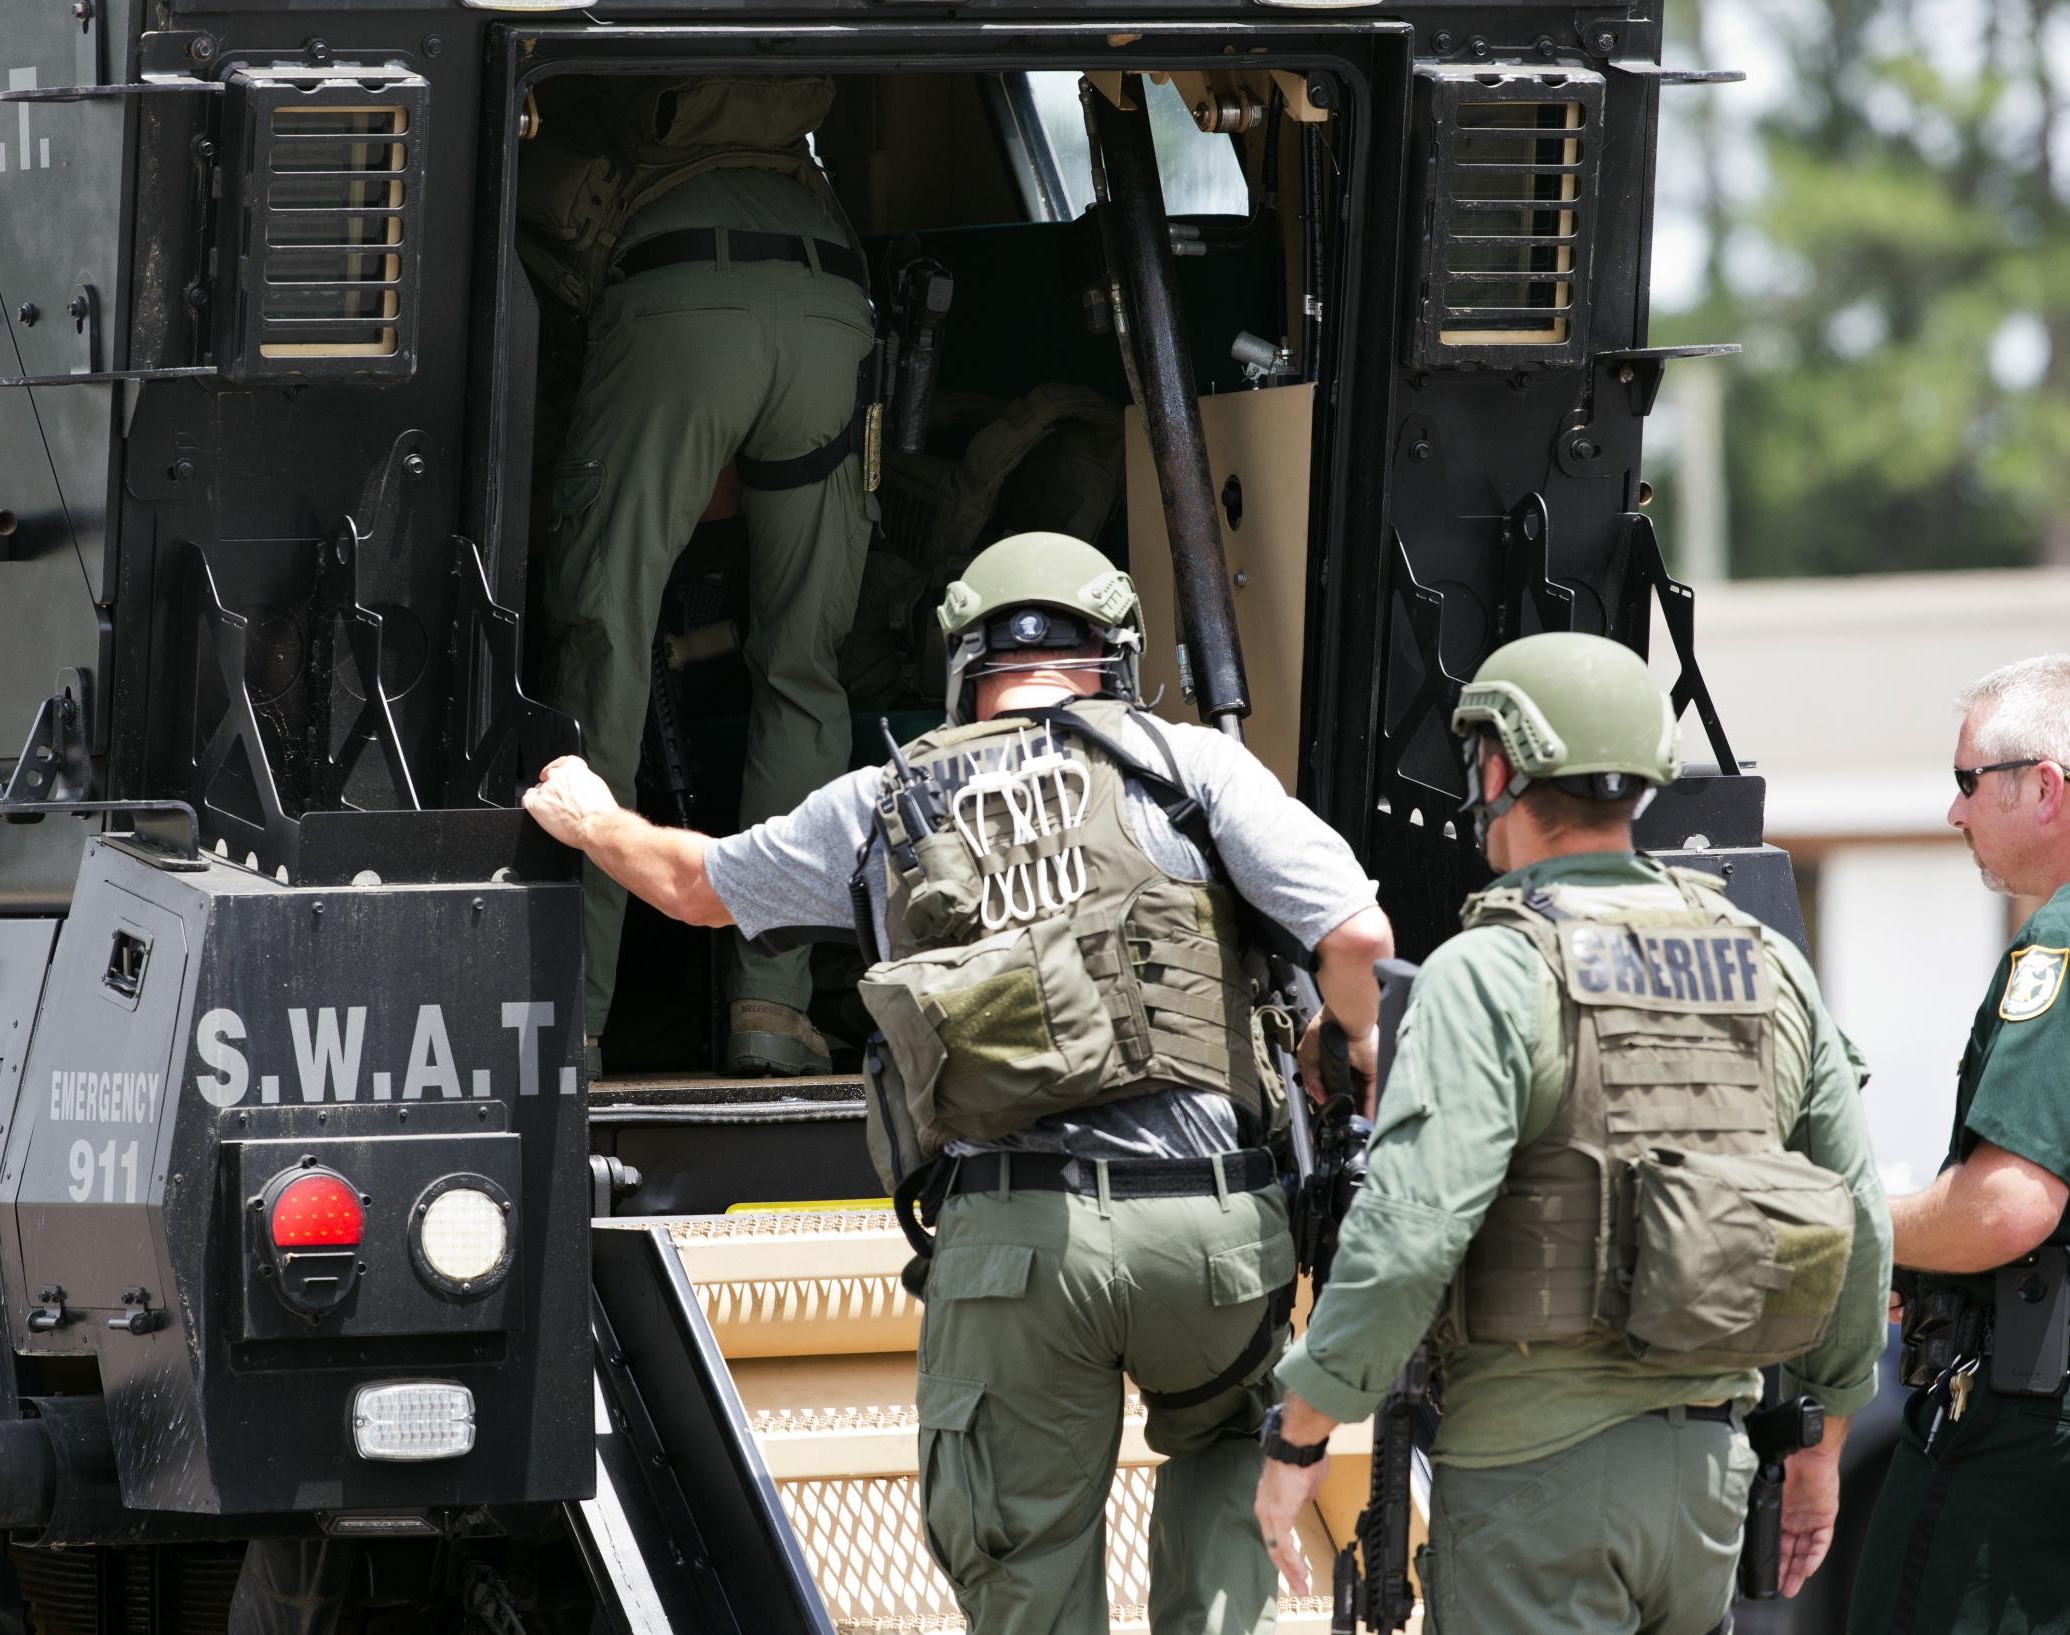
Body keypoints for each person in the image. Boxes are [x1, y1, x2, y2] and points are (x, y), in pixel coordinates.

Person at [524, 533, 1393, 1635]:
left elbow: (691, 884)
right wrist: (1351, 1052)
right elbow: (1357, 935)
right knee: (1227, 1440)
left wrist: (592, 812)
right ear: (1112, 656)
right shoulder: (1188, 766)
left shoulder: (882, 803)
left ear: (966, 665)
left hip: (1013, 1247)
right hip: (1211, 1228)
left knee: (1023, 1568)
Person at [1253, 631, 1892, 1635]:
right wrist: (1823, 1435)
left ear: (1498, 768)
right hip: (1707, 1479)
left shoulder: (1491, 969)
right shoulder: (1766, 960)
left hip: (1531, 1474)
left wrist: (1301, 1430)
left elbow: (1412, 1226)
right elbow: (1856, 1210)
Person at [520, 73, 877, 1079]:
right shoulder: (790, 130)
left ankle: (573, 1016)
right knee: (804, 663)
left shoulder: (589, 95)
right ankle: (773, 1005)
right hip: (829, 307)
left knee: (606, 645)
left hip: (677, 305)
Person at [1851, 655, 2070, 1635]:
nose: (1952, 812)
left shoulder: (2056, 946)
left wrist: (1848, 1226)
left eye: (1965, 782)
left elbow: (2004, 1206)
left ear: (2046, 786)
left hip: (2021, 1438)